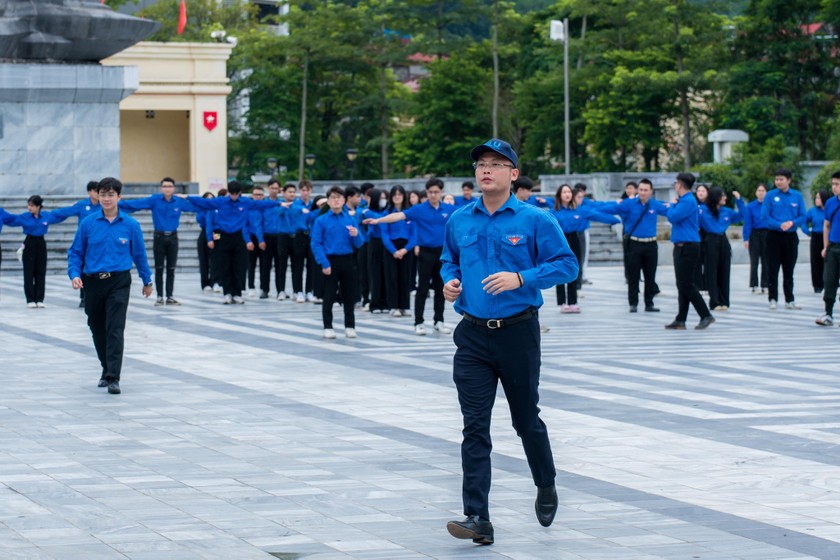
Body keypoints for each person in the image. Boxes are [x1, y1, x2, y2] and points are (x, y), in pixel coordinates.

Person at [441, 138, 578, 544]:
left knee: (525, 421)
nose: (486, 170)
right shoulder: (460, 220)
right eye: (481, 164)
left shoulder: (535, 219)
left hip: (518, 333)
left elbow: (567, 264)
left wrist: (523, 278)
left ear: (513, 174)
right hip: (472, 337)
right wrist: (450, 282)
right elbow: (449, 259)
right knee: (474, 427)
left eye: (496, 164)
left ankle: (546, 482)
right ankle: (477, 516)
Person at [67, 177, 153, 395]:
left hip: (119, 281)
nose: (106, 198)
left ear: (119, 196)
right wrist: (74, 274)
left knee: (115, 327)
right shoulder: (88, 223)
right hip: (93, 282)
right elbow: (76, 252)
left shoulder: (131, 225)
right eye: (102, 194)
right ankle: (106, 368)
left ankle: (113, 377)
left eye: (110, 194)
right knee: (97, 327)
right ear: (97, 195)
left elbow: (139, 254)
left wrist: (147, 280)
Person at [365, 178, 455, 335]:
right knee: (422, 288)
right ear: (426, 193)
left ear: (441, 192)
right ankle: (418, 322)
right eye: (430, 192)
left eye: (436, 192)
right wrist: (378, 220)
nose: (433, 195)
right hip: (426, 252)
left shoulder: (449, 209)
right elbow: (398, 216)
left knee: (441, 288)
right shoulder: (419, 209)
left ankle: (439, 320)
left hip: (442, 253)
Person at [185, 181, 279, 304]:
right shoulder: (221, 201)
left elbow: (260, 204)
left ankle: (237, 293)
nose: (234, 197)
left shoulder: (244, 202)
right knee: (225, 265)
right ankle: (227, 293)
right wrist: (188, 197)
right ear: (229, 192)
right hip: (223, 236)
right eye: (232, 194)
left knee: (239, 266)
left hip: (238, 236)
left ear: (240, 193)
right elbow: (205, 203)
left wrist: (279, 203)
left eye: (236, 194)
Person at [119, 177, 195, 306]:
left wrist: (193, 198)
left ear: (174, 188)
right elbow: (137, 204)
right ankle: (159, 296)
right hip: (159, 237)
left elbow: (195, 207)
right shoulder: (155, 200)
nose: (167, 189)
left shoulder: (179, 202)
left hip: (173, 237)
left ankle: (170, 296)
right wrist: (118, 203)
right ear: (161, 188)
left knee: (171, 268)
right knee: (159, 268)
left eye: (170, 186)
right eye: (165, 186)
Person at [598, 178, 669, 312]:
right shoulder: (629, 204)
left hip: (651, 244)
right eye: (641, 189)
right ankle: (633, 303)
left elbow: (670, 210)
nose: (642, 192)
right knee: (633, 275)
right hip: (634, 244)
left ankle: (649, 303)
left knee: (650, 275)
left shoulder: (655, 204)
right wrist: (597, 208)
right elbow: (612, 208)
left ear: (651, 191)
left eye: (645, 190)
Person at [549, 184, 618, 313]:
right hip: (560, 241)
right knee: (560, 270)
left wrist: (615, 220)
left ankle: (573, 302)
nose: (567, 194)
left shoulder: (579, 210)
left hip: (575, 239)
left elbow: (597, 215)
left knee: (574, 269)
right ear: (559, 195)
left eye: (569, 192)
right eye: (564, 192)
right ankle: (562, 302)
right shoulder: (553, 212)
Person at [310, 186, 365, 339]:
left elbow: (359, 243)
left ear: (343, 201)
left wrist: (356, 235)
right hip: (330, 260)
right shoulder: (321, 220)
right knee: (328, 295)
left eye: (339, 198)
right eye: (333, 198)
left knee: (349, 295)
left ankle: (350, 326)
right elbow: (316, 243)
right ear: (328, 201)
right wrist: (324, 263)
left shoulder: (350, 219)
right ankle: (328, 326)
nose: (336, 200)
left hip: (347, 259)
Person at [666, 173, 715, 330]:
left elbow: (673, 217)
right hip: (682, 246)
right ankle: (681, 319)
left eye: (676, 183)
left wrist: (672, 205)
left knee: (686, 284)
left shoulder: (687, 201)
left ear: (679, 184)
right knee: (682, 284)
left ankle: (705, 315)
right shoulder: (685, 201)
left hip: (687, 246)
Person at [2, 195, 70, 307]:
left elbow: (59, 217)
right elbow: (12, 221)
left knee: (40, 272)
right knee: (29, 272)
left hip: (41, 243)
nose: (29, 207)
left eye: (32, 205)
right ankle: (30, 299)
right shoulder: (25, 217)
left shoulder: (46, 216)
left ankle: (39, 298)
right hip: (29, 242)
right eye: (28, 205)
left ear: (38, 206)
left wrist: (70, 211)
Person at [50, 180, 102, 307]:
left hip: (100, 243)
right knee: (84, 269)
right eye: (96, 191)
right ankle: (84, 296)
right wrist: (45, 216)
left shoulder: (103, 205)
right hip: (85, 243)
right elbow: (65, 212)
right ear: (90, 192)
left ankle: (98, 295)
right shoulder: (82, 205)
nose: (98, 194)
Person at [761, 168, 806, 310]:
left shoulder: (797, 196)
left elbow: (803, 216)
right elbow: (765, 216)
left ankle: (789, 299)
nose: (778, 182)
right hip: (773, 236)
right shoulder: (770, 195)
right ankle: (773, 298)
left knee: (789, 269)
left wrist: (792, 223)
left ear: (789, 180)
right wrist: (779, 225)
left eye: (781, 179)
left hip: (790, 237)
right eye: (776, 179)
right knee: (772, 268)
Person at [699, 187, 745, 311]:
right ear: (715, 197)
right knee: (711, 272)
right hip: (710, 241)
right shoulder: (703, 210)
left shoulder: (727, 211)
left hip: (723, 241)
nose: (725, 198)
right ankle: (714, 302)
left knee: (724, 271)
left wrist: (739, 201)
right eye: (722, 195)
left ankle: (725, 301)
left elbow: (742, 215)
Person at [381, 185, 416, 316]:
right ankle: (393, 306)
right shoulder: (386, 213)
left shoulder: (410, 213)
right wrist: (394, 251)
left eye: (399, 194)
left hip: (406, 248)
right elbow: (384, 234)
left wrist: (405, 250)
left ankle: (404, 306)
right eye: (394, 194)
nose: (397, 196)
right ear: (391, 197)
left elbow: (414, 234)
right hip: (391, 248)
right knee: (392, 277)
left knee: (405, 277)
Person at [816, 171, 840, 326]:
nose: (834, 187)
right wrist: (825, 246)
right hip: (833, 247)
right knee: (829, 280)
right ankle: (828, 313)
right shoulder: (830, 203)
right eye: (833, 184)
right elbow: (826, 225)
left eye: (837, 184)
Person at [743, 183, 769, 294]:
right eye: (759, 190)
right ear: (756, 192)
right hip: (754, 234)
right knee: (754, 261)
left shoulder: (769, 205)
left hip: (767, 234)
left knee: (766, 261)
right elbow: (747, 223)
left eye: (763, 190)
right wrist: (746, 238)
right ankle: (754, 285)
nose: (761, 193)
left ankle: (766, 285)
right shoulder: (751, 206)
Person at [803, 191, 830, 294]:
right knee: (815, 261)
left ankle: (827, 283)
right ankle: (817, 285)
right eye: (816, 198)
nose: (816, 200)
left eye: (818, 198)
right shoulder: (812, 211)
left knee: (828, 261)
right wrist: (808, 232)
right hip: (815, 236)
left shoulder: (829, 210)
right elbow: (804, 222)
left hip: (827, 237)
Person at [245, 187, 266, 297]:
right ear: (252, 195)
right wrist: (248, 240)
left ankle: (264, 287)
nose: (258, 197)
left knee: (264, 264)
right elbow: (244, 225)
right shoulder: (248, 208)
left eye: (260, 195)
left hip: (264, 238)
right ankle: (251, 286)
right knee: (251, 264)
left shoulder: (265, 207)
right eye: (256, 194)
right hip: (252, 238)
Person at [195, 191, 216, 292]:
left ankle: (214, 281)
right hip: (204, 233)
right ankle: (205, 283)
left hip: (216, 234)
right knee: (204, 260)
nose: (209, 201)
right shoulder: (201, 210)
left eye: (212, 198)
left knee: (215, 259)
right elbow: (200, 220)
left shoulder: (216, 210)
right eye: (207, 198)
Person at [693, 183, 710, 293]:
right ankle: (698, 285)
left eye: (703, 191)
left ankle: (707, 285)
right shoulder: (693, 205)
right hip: (697, 235)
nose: (700, 193)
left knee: (708, 262)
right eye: (699, 191)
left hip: (708, 235)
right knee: (697, 262)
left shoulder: (710, 206)